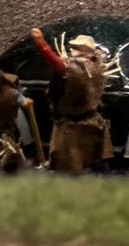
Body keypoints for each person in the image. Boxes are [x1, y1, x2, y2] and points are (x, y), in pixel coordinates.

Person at [27, 28, 110, 174]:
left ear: (82, 52)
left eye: (75, 48)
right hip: (91, 120)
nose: (71, 50)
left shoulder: (81, 69)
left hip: (74, 126)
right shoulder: (97, 66)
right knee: (88, 159)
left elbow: (57, 64)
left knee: (70, 160)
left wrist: (41, 44)